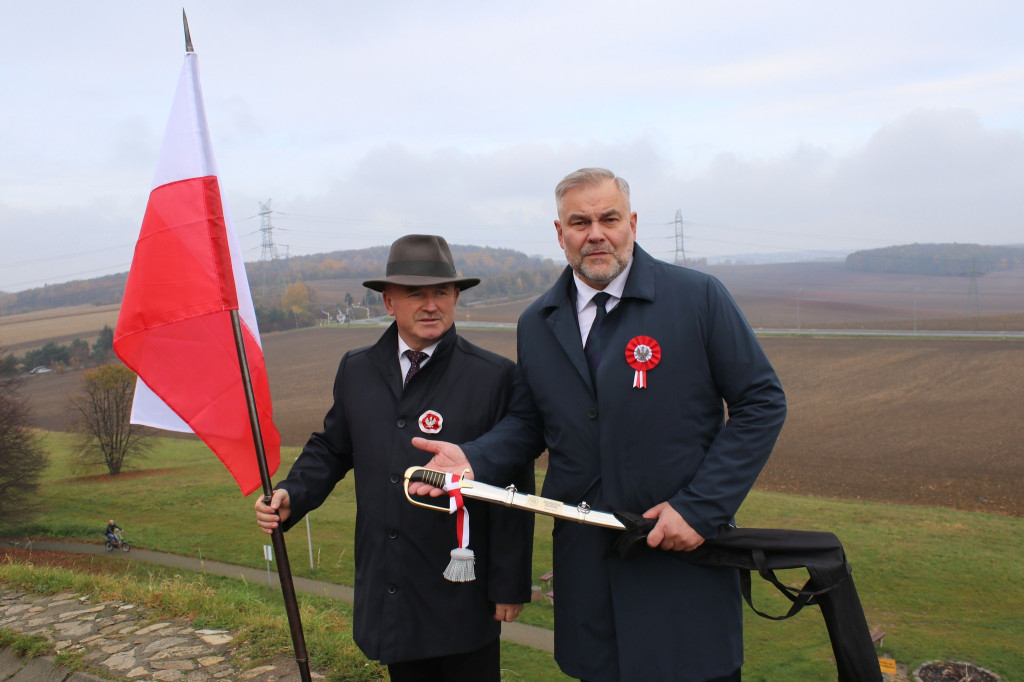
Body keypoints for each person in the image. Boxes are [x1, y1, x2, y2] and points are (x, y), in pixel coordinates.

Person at [410, 169, 787, 682]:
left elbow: (761, 402)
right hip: (588, 567)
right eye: (579, 221)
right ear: (559, 232)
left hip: (679, 554)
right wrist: (474, 459)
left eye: (609, 218)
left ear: (631, 222)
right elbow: (530, 422)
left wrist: (700, 509)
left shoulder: (697, 298)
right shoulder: (537, 321)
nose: (596, 233)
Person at [255, 234, 535, 682]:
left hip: (460, 590)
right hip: (391, 584)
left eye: (441, 292)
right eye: (415, 294)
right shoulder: (357, 369)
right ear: (388, 302)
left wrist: (510, 582)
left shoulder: (494, 378)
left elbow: (513, 482)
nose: (430, 305)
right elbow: (331, 447)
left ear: (456, 297)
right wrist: (293, 493)